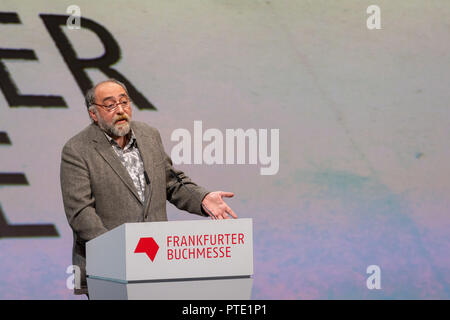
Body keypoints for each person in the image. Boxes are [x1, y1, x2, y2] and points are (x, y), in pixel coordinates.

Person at [60, 79, 237, 296]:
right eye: (110, 105)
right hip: (108, 269)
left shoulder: (148, 135)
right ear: (94, 114)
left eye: (124, 102)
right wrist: (117, 249)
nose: (120, 110)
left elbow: (172, 183)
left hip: (156, 262)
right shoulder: (77, 149)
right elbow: (80, 213)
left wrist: (203, 198)